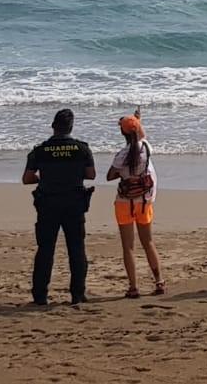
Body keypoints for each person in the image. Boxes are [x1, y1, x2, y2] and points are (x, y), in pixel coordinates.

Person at [22, 108, 95, 305]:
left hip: (48, 204)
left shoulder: (40, 150)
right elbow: (91, 175)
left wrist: (45, 178)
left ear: (53, 126)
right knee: (76, 249)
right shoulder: (81, 149)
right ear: (71, 128)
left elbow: (27, 178)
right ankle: (77, 294)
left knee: (45, 250)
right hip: (74, 204)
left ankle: (40, 296)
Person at [107, 108, 164, 299]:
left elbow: (110, 176)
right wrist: (138, 121)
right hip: (144, 201)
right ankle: (159, 281)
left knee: (128, 247)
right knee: (148, 242)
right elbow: (142, 136)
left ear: (122, 133)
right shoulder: (146, 147)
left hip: (125, 202)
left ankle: (133, 287)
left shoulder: (122, 155)